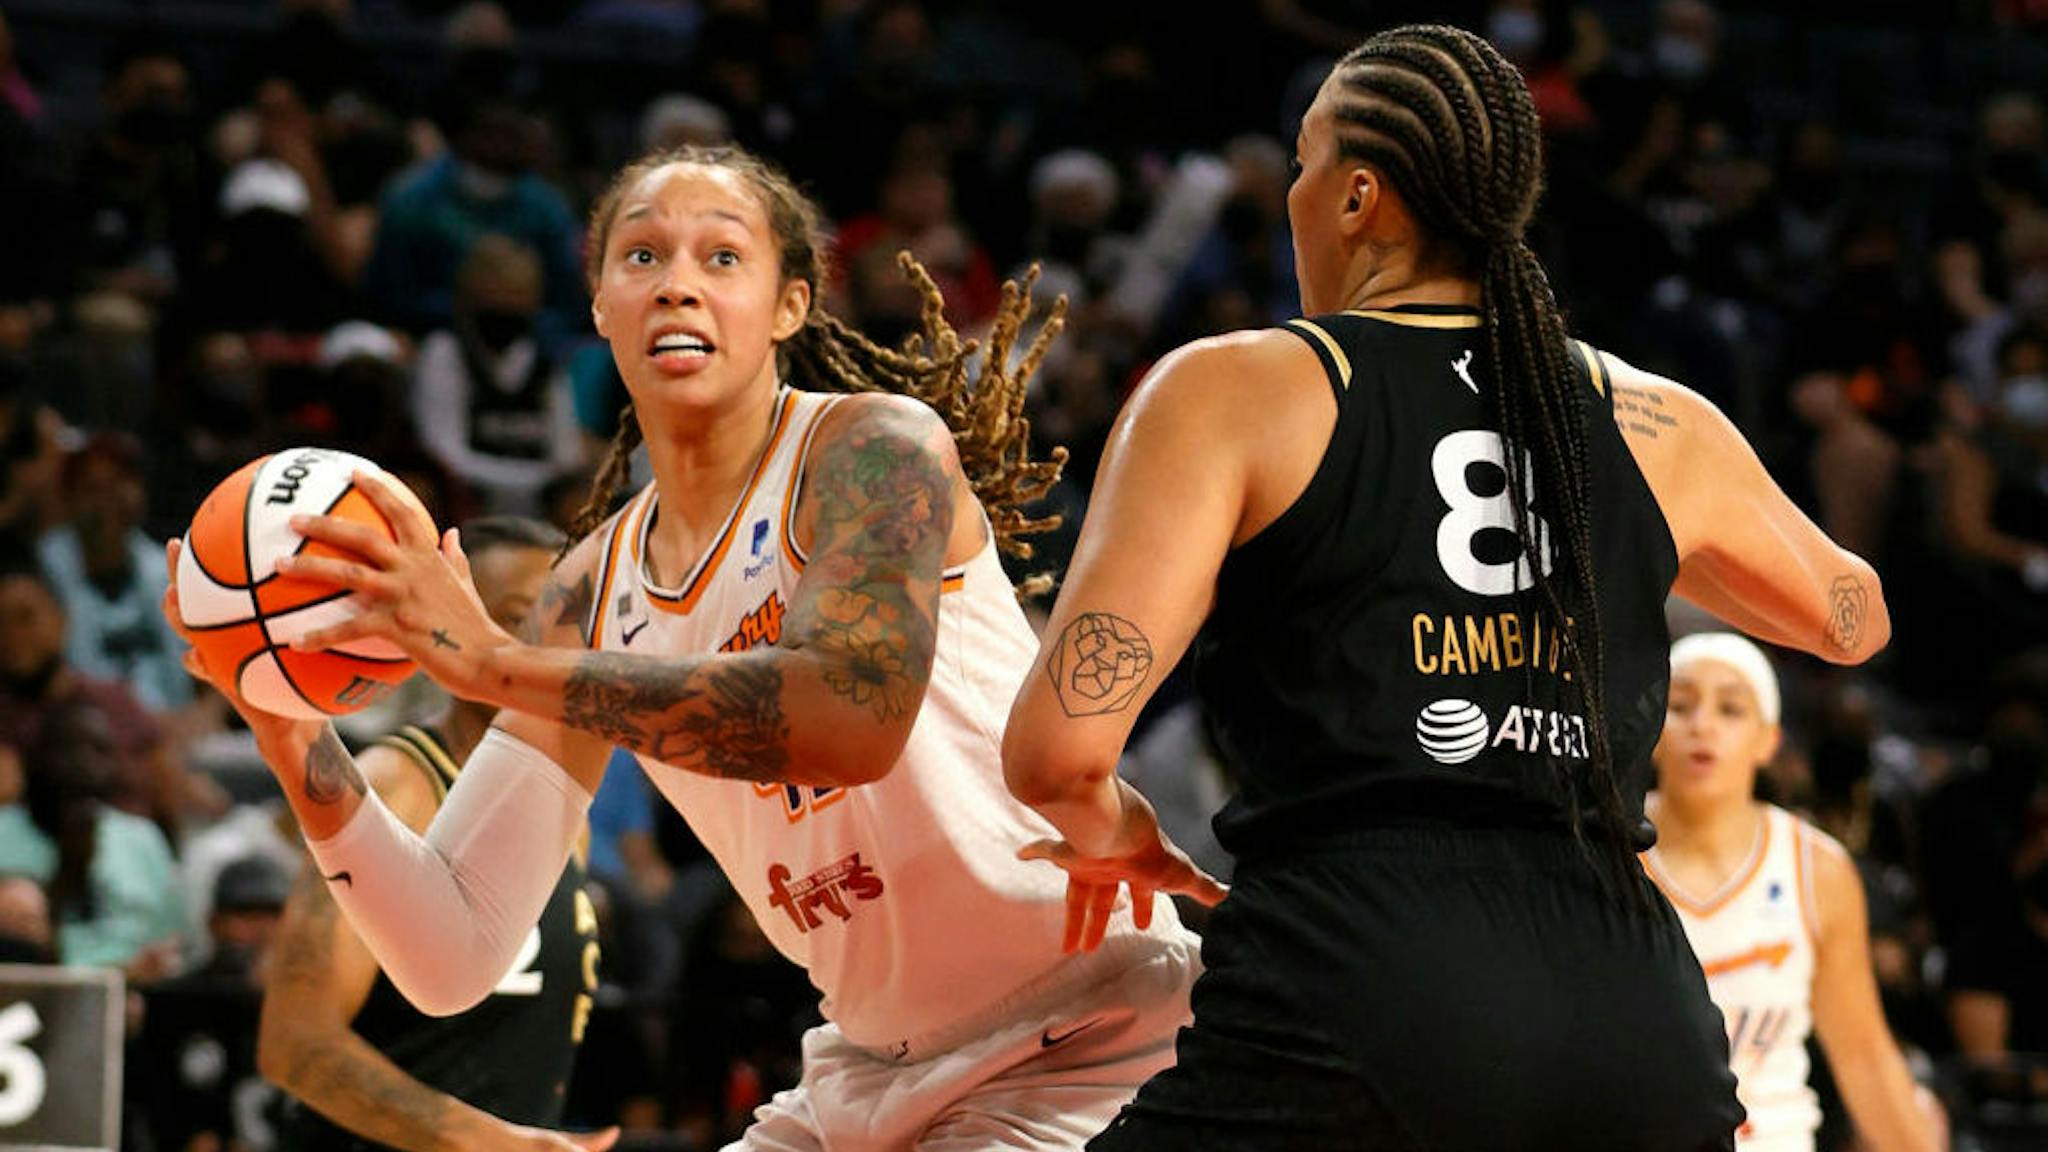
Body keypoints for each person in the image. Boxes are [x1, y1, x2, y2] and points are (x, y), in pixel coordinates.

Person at [168, 141, 1198, 1151]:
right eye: (641, 257)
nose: (676, 285)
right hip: (872, 1067)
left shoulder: (873, 449)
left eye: (721, 257)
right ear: (599, 306)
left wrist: (485, 662)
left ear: (790, 305)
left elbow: (846, 719)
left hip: (1086, 1039)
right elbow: (452, 949)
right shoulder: (591, 586)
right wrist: (287, 732)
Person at [999, 23, 1890, 1151]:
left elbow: (1055, 754)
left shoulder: (1235, 388)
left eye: (1302, 165)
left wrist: (1118, 834)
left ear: (1358, 195)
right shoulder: (1648, 417)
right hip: (1634, 1016)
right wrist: (1660, 533)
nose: (1294, 195)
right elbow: (1849, 619)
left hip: (1358, 986)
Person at [256, 516, 606, 1152]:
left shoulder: (559, 802)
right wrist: (482, 1141)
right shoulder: (399, 782)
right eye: (511, 615)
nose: (535, 642)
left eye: (558, 620)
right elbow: (294, 1040)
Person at [1643, 633, 1945, 1152]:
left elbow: (1861, 1052)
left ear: (1768, 741)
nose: (1703, 725)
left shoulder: (1815, 867)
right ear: (1649, 726)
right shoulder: (1604, 847)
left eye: (1731, 709)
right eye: (1681, 704)